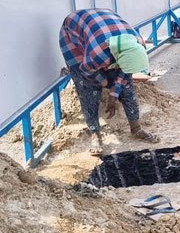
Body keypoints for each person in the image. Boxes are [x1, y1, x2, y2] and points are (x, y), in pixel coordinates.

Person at [58, 8, 159, 155]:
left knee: (127, 86)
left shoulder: (138, 44)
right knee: (88, 89)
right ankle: (94, 133)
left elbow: (125, 72)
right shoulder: (98, 55)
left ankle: (136, 129)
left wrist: (114, 93)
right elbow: (87, 71)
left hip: (104, 29)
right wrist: (106, 83)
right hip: (72, 34)